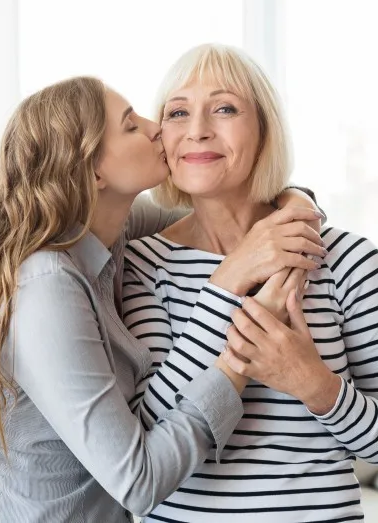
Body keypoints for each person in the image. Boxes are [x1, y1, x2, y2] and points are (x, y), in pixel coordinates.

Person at [0, 76, 324, 522]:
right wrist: (239, 350)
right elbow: (138, 482)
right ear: (94, 172)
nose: (155, 126)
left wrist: (295, 202)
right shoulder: (46, 285)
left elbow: (228, 214)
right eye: (131, 125)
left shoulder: (108, 229)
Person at [123, 43, 377, 522]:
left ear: (265, 131)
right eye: (177, 112)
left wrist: (315, 385)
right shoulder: (141, 264)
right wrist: (228, 281)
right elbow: (146, 438)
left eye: (224, 108)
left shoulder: (348, 261)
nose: (197, 130)